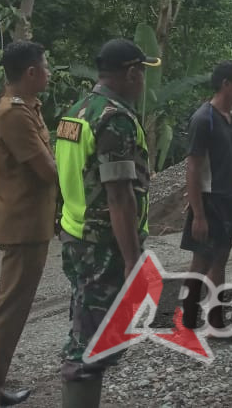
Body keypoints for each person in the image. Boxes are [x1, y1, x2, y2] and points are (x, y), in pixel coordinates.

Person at [55, 39, 158, 408]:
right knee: (91, 343)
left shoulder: (76, 111)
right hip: (102, 244)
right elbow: (119, 195)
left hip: (75, 233)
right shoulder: (115, 119)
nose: (143, 82)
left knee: (87, 323)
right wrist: (132, 258)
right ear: (131, 73)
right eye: (142, 73)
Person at [0, 41, 56, 408]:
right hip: (23, 226)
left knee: (14, 311)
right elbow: (47, 170)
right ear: (31, 73)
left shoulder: (27, 108)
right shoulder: (13, 114)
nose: (50, 72)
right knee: (8, 311)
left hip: (31, 224)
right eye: (46, 66)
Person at [180, 61, 232, 334]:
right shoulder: (203, 119)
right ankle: (187, 317)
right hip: (209, 201)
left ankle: (216, 319)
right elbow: (193, 167)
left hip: (230, 200)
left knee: (220, 259)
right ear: (226, 84)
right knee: (201, 261)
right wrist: (198, 214)